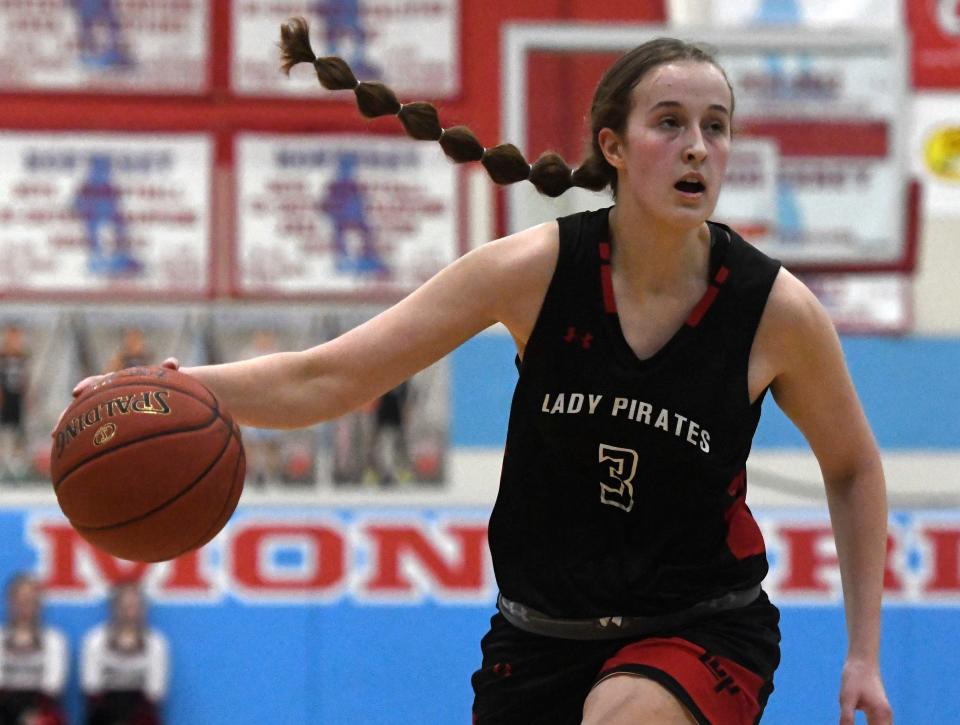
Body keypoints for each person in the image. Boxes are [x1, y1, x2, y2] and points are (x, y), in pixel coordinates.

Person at [71, 17, 892, 724]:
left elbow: (853, 466)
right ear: (612, 145)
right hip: (538, 637)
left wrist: (863, 652)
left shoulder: (774, 310)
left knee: (625, 713)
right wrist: (166, 389)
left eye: (716, 127)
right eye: (669, 123)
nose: (697, 147)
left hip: (700, 625)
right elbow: (330, 377)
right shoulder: (532, 272)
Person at [81, 582, 170, 725]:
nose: (129, 612)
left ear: (143, 609)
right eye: (123, 606)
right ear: (113, 608)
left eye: (134, 606)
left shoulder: (156, 643)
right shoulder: (95, 640)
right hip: (103, 711)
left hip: (141, 713)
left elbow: (156, 691)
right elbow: (90, 686)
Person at [0, 574, 68, 725]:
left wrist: (32, 717)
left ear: (39, 603)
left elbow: (53, 685)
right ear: (9, 602)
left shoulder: (54, 640)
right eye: (19, 599)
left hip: (41, 709)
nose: (24, 604)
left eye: (30, 599)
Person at [0, 324, 30, 480]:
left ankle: (17, 465)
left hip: (17, 398)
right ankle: (4, 463)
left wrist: (28, 396)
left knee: (18, 430)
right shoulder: (3, 357)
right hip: (5, 398)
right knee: (5, 431)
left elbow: (24, 379)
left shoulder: (22, 357)